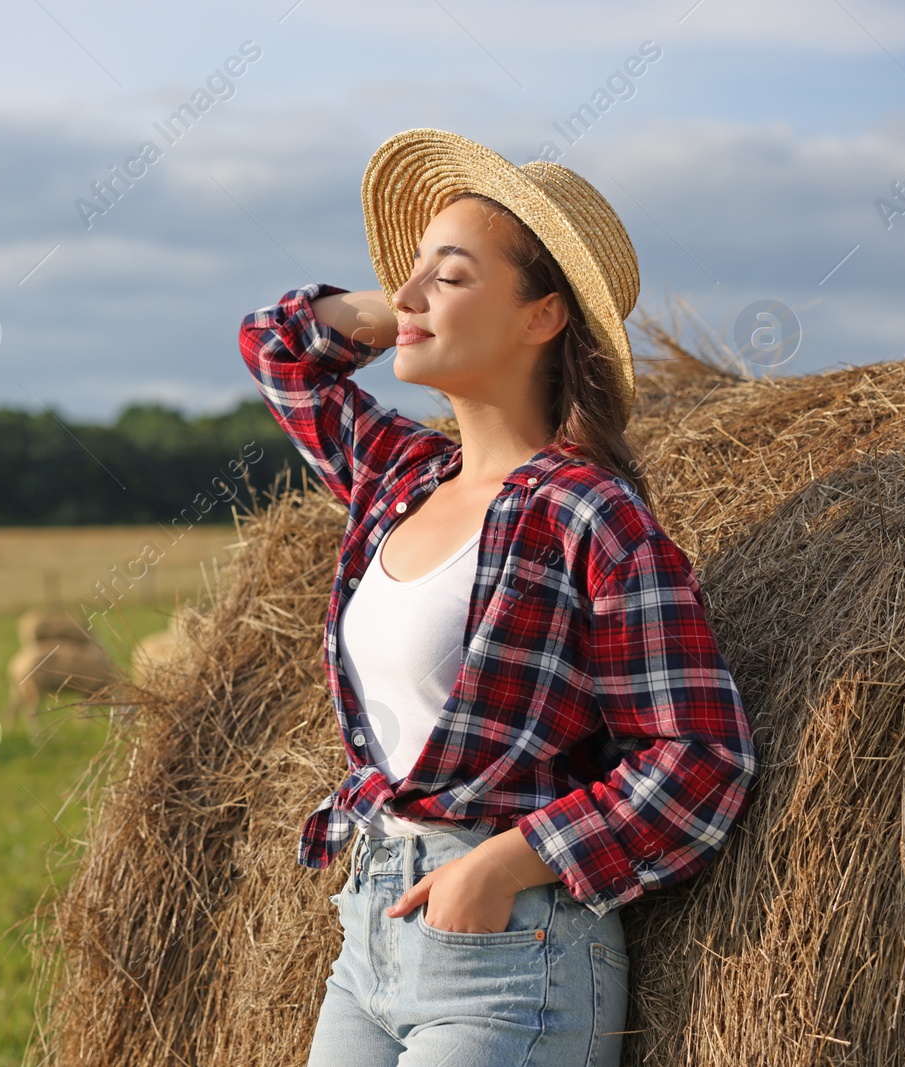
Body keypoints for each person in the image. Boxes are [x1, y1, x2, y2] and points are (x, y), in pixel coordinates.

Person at [237, 128, 758, 1066]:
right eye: (410, 270)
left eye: (454, 273)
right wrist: (401, 301)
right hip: (366, 935)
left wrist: (505, 863)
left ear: (542, 316)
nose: (408, 293)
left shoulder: (587, 513)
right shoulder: (399, 475)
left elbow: (702, 754)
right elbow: (276, 347)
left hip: (516, 949)